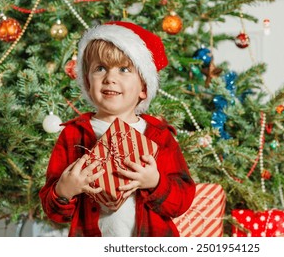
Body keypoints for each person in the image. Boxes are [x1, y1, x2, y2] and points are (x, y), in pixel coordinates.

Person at [39, 21, 196, 237]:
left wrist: (155, 183)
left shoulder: (158, 135)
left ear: (143, 88)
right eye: (100, 68)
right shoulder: (74, 134)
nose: (110, 78)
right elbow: (54, 211)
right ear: (87, 81)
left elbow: (182, 201)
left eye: (124, 69)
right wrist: (64, 191)